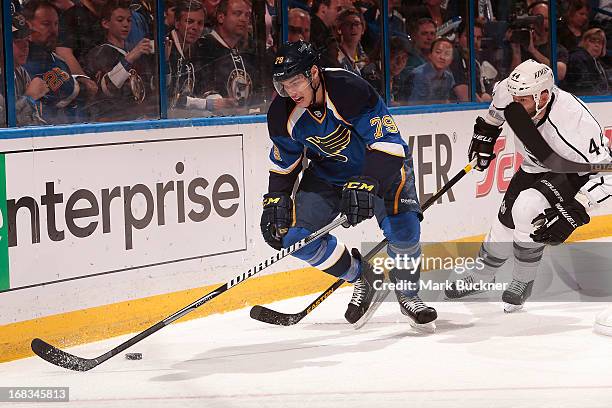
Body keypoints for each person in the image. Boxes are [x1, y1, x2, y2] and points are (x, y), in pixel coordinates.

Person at [262, 40, 437, 331]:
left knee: (403, 231)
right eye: (284, 84)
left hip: (381, 167)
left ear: (314, 73)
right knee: (296, 239)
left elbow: (388, 145)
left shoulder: (348, 89)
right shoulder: (282, 114)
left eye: (295, 81)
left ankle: (408, 294)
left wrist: (366, 183)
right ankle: (361, 277)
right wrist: (275, 200)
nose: (290, 91)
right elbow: (285, 163)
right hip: (329, 175)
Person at [445, 59, 612, 312]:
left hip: (570, 172)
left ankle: (522, 280)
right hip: (532, 166)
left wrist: (579, 207)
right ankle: (482, 277)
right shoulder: (511, 91)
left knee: (526, 208)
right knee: (502, 226)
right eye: (514, 97)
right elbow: (495, 115)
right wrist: (484, 137)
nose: (514, 102)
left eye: (522, 100)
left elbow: (607, 172)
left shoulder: (575, 121)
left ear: (543, 96)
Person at [84, 0, 157, 121]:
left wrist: (164, 61)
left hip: (138, 119)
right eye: (120, 20)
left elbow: (152, 88)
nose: (126, 24)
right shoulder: (100, 53)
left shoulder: (134, 52)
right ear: (106, 23)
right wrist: (130, 58)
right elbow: (107, 88)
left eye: (129, 20)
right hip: (112, 124)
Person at [23, 0, 91, 123]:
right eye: (46, 24)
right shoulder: (16, 65)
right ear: (28, 27)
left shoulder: (59, 62)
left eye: (56, 24)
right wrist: (28, 98)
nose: (54, 30)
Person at [197, 0, 260, 112]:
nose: (243, 19)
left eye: (247, 15)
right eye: (237, 13)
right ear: (221, 17)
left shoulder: (247, 52)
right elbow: (200, 90)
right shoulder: (203, 47)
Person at [12, 12, 48, 125]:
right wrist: (29, 97)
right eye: (17, 41)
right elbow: (3, 124)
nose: (25, 46)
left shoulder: (20, 71)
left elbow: (31, 121)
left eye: (26, 40)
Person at [407, 37, 456, 104]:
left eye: (447, 54)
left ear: (451, 59)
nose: (442, 57)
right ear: (430, 55)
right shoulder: (418, 75)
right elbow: (414, 107)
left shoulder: (449, 77)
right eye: (438, 52)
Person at [563, 28, 609, 95]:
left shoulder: (597, 62)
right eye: (592, 41)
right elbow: (585, 87)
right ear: (584, 42)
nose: (597, 45)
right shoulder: (578, 58)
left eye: (600, 42)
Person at [310, 0, 343, 67]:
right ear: (323, 9)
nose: (339, 13)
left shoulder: (327, 31)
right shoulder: (313, 31)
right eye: (337, 9)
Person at [336, 8, 368, 75]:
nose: (353, 27)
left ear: (363, 29)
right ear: (339, 29)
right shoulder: (334, 56)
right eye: (348, 24)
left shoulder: (364, 58)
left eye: (356, 24)